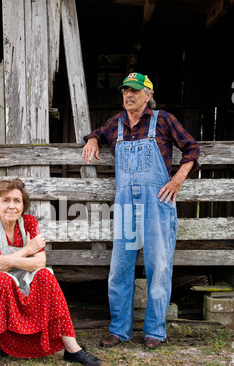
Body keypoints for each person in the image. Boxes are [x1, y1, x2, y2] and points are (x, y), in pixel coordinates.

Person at [82, 72, 200, 349]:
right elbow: (97, 133)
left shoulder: (163, 120)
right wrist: (93, 140)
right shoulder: (116, 124)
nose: (128, 95)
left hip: (157, 202)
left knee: (158, 267)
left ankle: (154, 332)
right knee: (120, 268)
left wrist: (177, 179)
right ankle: (119, 330)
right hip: (126, 206)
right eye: (125, 90)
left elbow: (192, 148)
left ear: (148, 94)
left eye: (134, 90)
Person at [0, 178, 100, 366]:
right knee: (1, 279)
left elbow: (40, 262)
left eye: (17, 201)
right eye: (6, 200)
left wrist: (9, 260)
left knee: (46, 276)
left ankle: (72, 348)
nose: (12, 206)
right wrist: (28, 249)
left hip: (22, 278)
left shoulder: (29, 222)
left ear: (23, 205)